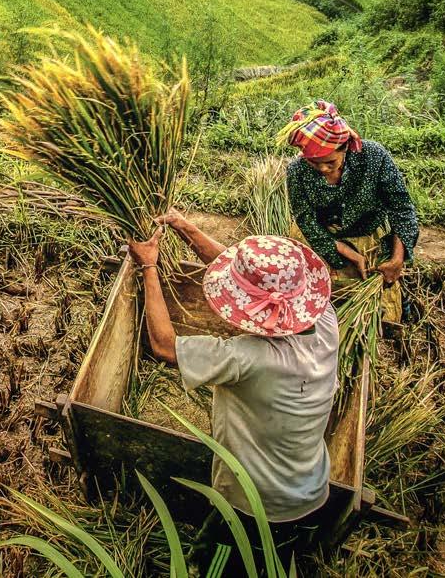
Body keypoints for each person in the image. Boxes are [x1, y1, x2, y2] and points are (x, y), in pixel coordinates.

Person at [128, 210, 339, 574]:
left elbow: (164, 345)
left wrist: (149, 267)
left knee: (219, 565)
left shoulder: (251, 358)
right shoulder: (323, 319)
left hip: (256, 504)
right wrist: (184, 226)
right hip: (309, 488)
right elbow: (252, 280)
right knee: (275, 560)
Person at [278, 100, 419, 322]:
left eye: (330, 161)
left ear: (344, 146)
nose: (323, 169)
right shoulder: (297, 170)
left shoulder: (374, 156)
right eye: (315, 163)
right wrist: (343, 250)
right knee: (309, 300)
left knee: (381, 310)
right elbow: (305, 219)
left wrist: (397, 259)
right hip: (320, 237)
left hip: (365, 234)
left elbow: (401, 208)